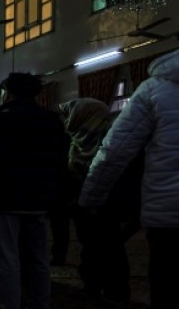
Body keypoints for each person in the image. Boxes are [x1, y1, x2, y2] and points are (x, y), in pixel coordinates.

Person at [79, 48, 179, 309]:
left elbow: (114, 152)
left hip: (169, 215)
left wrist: (90, 198)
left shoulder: (155, 89)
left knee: (168, 287)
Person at [0, 73, 69, 309]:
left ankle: (10, 305)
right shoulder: (51, 120)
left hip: (5, 199)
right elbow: (60, 161)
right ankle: (42, 303)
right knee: (38, 258)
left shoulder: (1, 120)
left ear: (8, 92)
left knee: (7, 259)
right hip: (38, 199)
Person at [59, 99, 136, 305]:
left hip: (109, 205)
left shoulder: (113, 140)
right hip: (82, 206)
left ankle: (116, 292)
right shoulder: (76, 141)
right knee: (91, 248)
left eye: (71, 114)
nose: (67, 119)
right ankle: (92, 287)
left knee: (111, 249)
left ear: (82, 115)